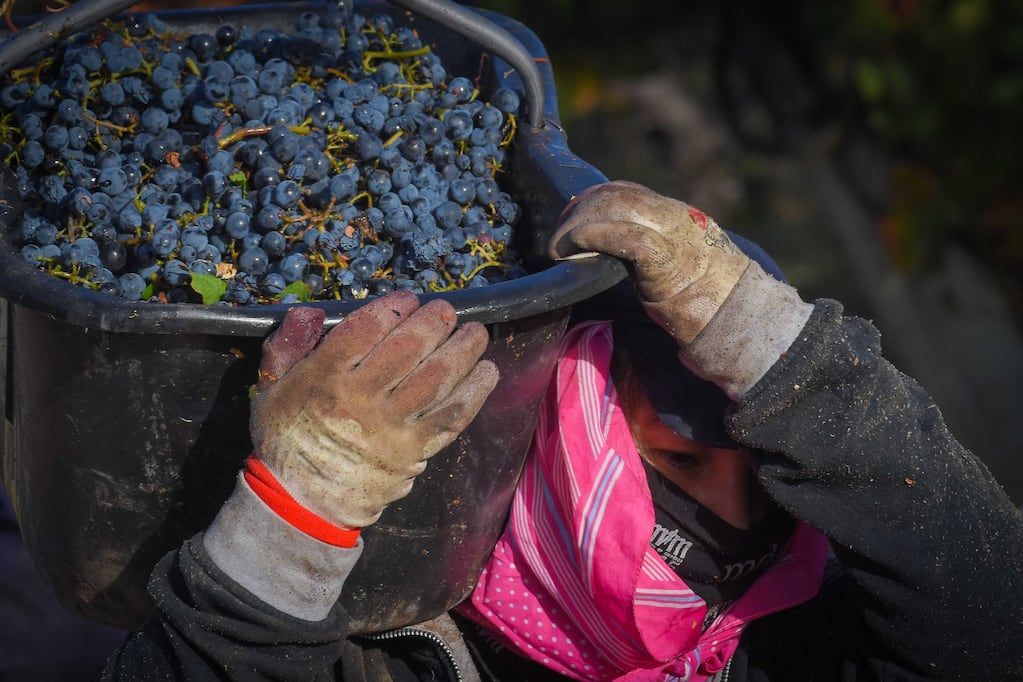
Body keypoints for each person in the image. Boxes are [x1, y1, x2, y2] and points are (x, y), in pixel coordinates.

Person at [100, 181, 1023, 681]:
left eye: (772, 482)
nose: (734, 520)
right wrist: (301, 511)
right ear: (564, 422)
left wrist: (774, 349)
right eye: (680, 460)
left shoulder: (783, 656)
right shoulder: (408, 655)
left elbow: (995, 619)